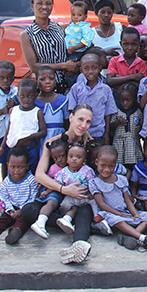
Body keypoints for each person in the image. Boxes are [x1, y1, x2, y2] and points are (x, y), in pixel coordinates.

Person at [21, 104, 96, 264]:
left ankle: (78, 245)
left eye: (88, 122)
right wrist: (64, 189)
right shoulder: (53, 143)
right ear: (71, 117)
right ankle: (70, 223)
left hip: (79, 199)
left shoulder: (90, 144)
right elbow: (39, 175)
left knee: (84, 210)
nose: (83, 125)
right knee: (28, 210)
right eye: (80, 119)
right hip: (56, 196)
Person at [89, 145, 147, 252]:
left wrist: (135, 214)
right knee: (118, 221)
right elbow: (102, 205)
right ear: (97, 162)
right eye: (103, 165)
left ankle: (131, 237)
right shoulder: (94, 183)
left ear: (116, 165)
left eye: (111, 166)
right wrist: (121, 215)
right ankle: (143, 238)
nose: (106, 170)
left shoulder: (121, 179)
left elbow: (127, 200)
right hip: (109, 214)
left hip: (125, 212)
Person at [21, 0, 79, 93]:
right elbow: (33, 66)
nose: (44, 7)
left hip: (69, 84)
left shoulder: (61, 27)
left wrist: (73, 65)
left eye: (48, 3)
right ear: (32, 6)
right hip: (46, 88)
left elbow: (72, 50)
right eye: (40, 3)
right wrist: (64, 65)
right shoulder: (27, 35)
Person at [0, 78, 47, 174]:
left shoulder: (37, 112)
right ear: (18, 95)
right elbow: (9, 131)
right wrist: (2, 147)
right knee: (15, 173)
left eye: (30, 96)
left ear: (36, 95)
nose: (26, 100)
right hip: (14, 149)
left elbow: (43, 132)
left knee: (32, 173)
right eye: (22, 96)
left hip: (31, 148)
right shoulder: (13, 110)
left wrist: (29, 137)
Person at [67, 53, 117, 143]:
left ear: (100, 69)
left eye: (94, 68)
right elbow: (72, 112)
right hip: (79, 133)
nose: (90, 71)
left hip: (98, 133)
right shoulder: (76, 88)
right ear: (81, 70)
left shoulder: (105, 89)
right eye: (86, 68)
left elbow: (108, 113)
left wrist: (106, 134)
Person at [29, 138, 70, 239]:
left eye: (61, 156)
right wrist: (44, 191)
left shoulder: (72, 166)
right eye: (55, 158)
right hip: (53, 191)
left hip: (64, 193)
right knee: (52, 203)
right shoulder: (54, 168)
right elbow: (47, 180)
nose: (59, 160)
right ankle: (40, 222)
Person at [54, 143, 97, 235]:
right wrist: (47, 191)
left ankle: (97, 219)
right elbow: (57, 184)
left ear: (84, 160)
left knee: (95, 202)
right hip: (71, 196)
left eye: (78, 157)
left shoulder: (87, 170)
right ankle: (66, 219)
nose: (74, 159)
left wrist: (91, 193)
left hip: (85, 196)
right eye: (71, 156)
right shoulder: (63, 173)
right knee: (64, 205)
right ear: (67, 159)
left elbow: (93, 183)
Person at [111, 82, 143, 172]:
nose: (125, 103)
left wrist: (139, 128)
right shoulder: (116, 111)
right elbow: (110, 126)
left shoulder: (137, 112)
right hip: (119, 143)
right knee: (119, 165)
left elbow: (142, 125)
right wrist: (117, 122)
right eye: (122, 100)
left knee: (133, 165)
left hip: (132, 143)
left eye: (128, 100)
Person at [35, 65, 69, 147]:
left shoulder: (63, 100)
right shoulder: (34, 102)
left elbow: (66, 122)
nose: (47, 82)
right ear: (36, 82)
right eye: (42, 79)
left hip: (59, 138)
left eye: (51, 78)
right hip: (39, 140)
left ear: (55, 80)